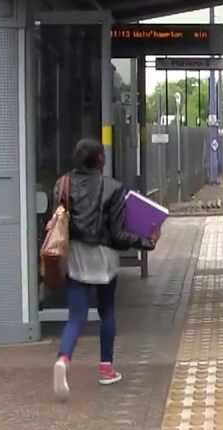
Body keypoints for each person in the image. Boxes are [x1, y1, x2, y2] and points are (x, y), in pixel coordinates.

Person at [51, 137, 159, 401]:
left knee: (76, 316)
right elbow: (118, 235)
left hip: (75, 256)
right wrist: (147, 242)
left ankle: (63, 359)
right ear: (100, 159)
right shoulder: (113, 188)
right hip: (103, 258)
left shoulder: (62, 184)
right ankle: (106, 369)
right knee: (107, 311)